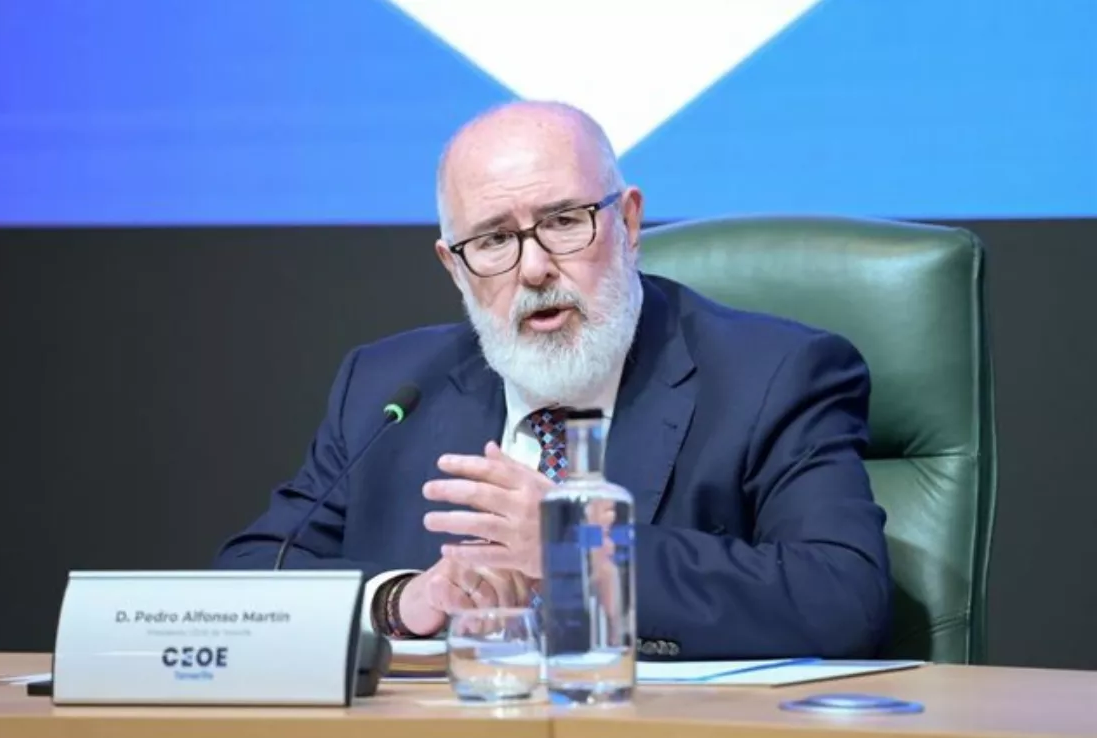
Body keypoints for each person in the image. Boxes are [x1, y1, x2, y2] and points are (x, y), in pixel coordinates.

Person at [213, 100, 892, 659]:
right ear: (454, 266)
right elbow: (249, 579)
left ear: (628, 222)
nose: (534, 269)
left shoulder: (770, 375)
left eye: (564, 222)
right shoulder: (390, 389)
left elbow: (843, 600)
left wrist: (582, 551)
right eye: (493, 240)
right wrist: (401, 600)